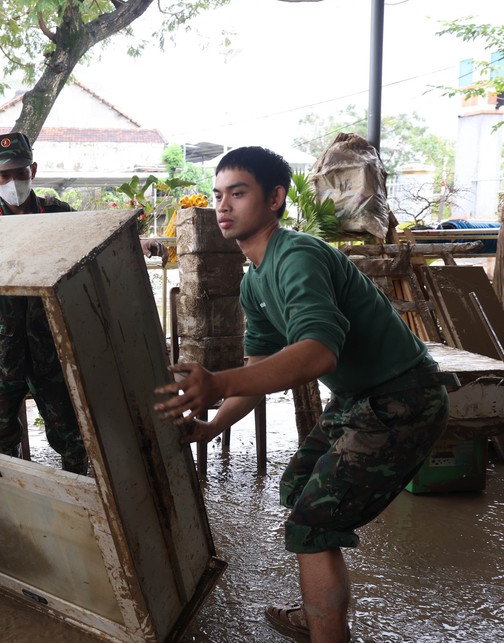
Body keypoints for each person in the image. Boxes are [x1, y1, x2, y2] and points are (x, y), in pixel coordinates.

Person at [152, 146, 453, 643]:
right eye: (218, 194)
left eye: (239, 193)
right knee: (298, 490)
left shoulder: (297, 256)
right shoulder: (254, 283)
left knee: (312, 525)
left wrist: (217, 382)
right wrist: (211, 426)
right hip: (360, 400)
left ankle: (325, 631)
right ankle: (320, 612)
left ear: (275, 198)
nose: (223, 206)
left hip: (405, 398)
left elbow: (317, 355)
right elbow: (258, 372)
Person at [0, 131, 168, 474]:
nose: (13, 181)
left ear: (33, 169)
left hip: (52, 344)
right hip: (3, 348)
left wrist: (141, 242)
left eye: (20, 172)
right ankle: (8, 496)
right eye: (5, 174)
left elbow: (97, 237)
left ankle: (80, 496)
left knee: (70, 433)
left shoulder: (57, 213)